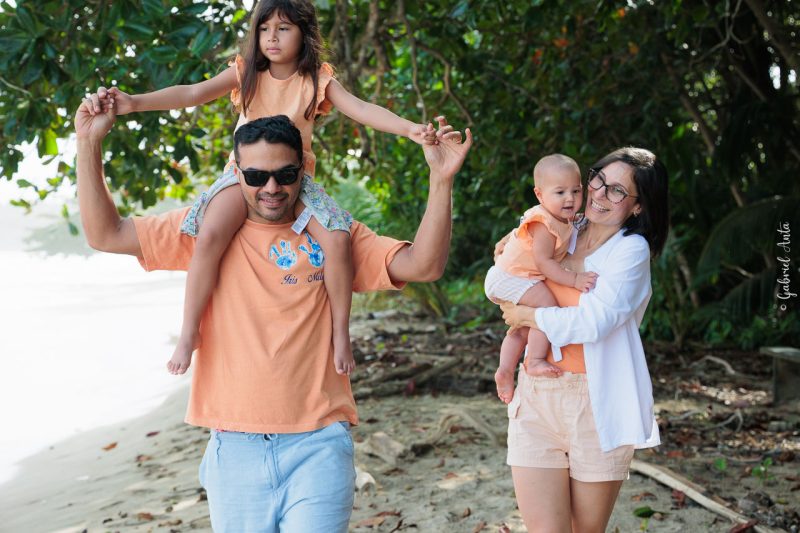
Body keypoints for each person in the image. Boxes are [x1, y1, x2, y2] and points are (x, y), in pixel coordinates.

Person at [75, 93, 472, 530]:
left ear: (302, 169)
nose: (271, 188)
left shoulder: (336, 233)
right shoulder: (203, 228)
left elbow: (424, 265)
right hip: (235, 448)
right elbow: (106, 234)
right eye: (256, 175)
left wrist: (441, 180)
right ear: (235, 173)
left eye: (284, 174)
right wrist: (88, 143)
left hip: (318, 443)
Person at [85, 0, 436, 377]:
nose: (272, 37)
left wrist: (410, 129)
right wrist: (133, 103)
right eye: (264, 28)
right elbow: (190, 94)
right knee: (210, 233)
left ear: (304, 34)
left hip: (293, 180)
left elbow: (363, 109)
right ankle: (189, 333)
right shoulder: (245, 72)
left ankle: (340, 334)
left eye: (283, 28)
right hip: (244, 176)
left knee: (336, 238)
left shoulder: (316, 79)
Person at [498, 147, 669, 532]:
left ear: (639, 207)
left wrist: (528, 316)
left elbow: (596, 322)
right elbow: (509, 270)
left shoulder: (630, 251)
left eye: (617, 192)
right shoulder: (563, 230)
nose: (598, 194)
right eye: (598, 180)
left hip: (595, 402)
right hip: (537, 396)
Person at [484, 154, 598, 403]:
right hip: (511, 277)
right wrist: (575, 280)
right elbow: (544, 263)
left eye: (575, 191)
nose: (570, 198)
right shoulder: (544, 224)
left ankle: (504, 370)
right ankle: (534, 360)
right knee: (546, 309)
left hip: (513, 276)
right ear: (539, 195)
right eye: (560, 192)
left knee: (524, 327)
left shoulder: (563, 218)